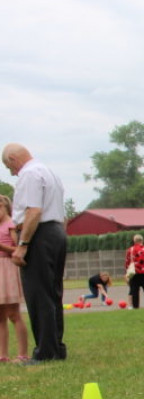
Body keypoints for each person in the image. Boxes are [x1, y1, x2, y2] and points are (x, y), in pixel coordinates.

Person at [1, 143, 67, 363]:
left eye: (10, 168)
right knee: (53, 293)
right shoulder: (49, 173)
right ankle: (56, 348)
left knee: (38, 295)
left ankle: (45, 352)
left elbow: (34, 210)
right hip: (56, 231)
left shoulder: (29, 174)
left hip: (38, 233)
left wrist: (23, 244)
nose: (12, 173)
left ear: (12, 159)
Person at [0, 193, 30, 362]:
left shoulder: (10, 225)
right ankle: (2, 355)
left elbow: (16, 248)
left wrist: (2, 246)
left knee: (13, 314)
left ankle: (22, 353)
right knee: (0, 316)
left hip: (7, 268)